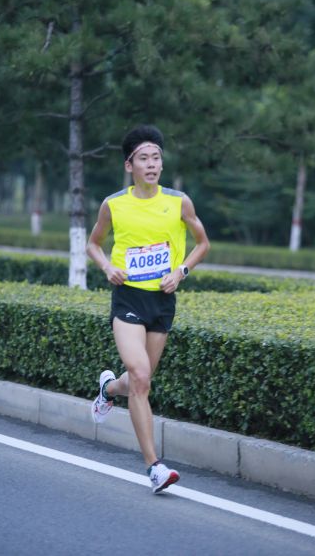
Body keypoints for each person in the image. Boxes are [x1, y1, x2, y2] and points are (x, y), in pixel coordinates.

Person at [86, 124, 210, 494]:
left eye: (156, 157)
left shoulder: (179, 202)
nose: (152, 164)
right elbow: (93, 244)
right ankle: (154, 467)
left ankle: (109, 389)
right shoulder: (113, 205)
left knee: (138, 381)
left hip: (162, 301)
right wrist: (107, 267)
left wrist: (181, 271)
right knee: (140, 376)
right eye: (144, 158)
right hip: (128, 298)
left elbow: (203, 243)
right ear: (130, 165)